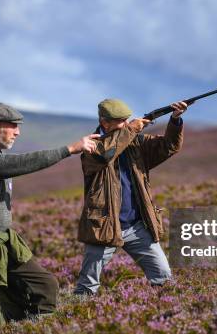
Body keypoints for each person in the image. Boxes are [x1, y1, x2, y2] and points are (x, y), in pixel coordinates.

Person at [0, 102, 98, 334]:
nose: (18, 132)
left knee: (44, 285)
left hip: (1, 240)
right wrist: (69, 149)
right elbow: (20, 164)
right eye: (12, 126)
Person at [74, 98, 187, 295]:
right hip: (105, 227)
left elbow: (169, 146)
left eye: (127, 120)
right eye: (120, 121)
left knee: (163, 277)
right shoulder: (91, 146)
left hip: (137, 225)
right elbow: (105, 154)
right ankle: (75, 317)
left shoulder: (134, 142)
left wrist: (175, 120)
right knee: (87, 286)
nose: (126, 124)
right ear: (104, 122)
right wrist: (133, 128)